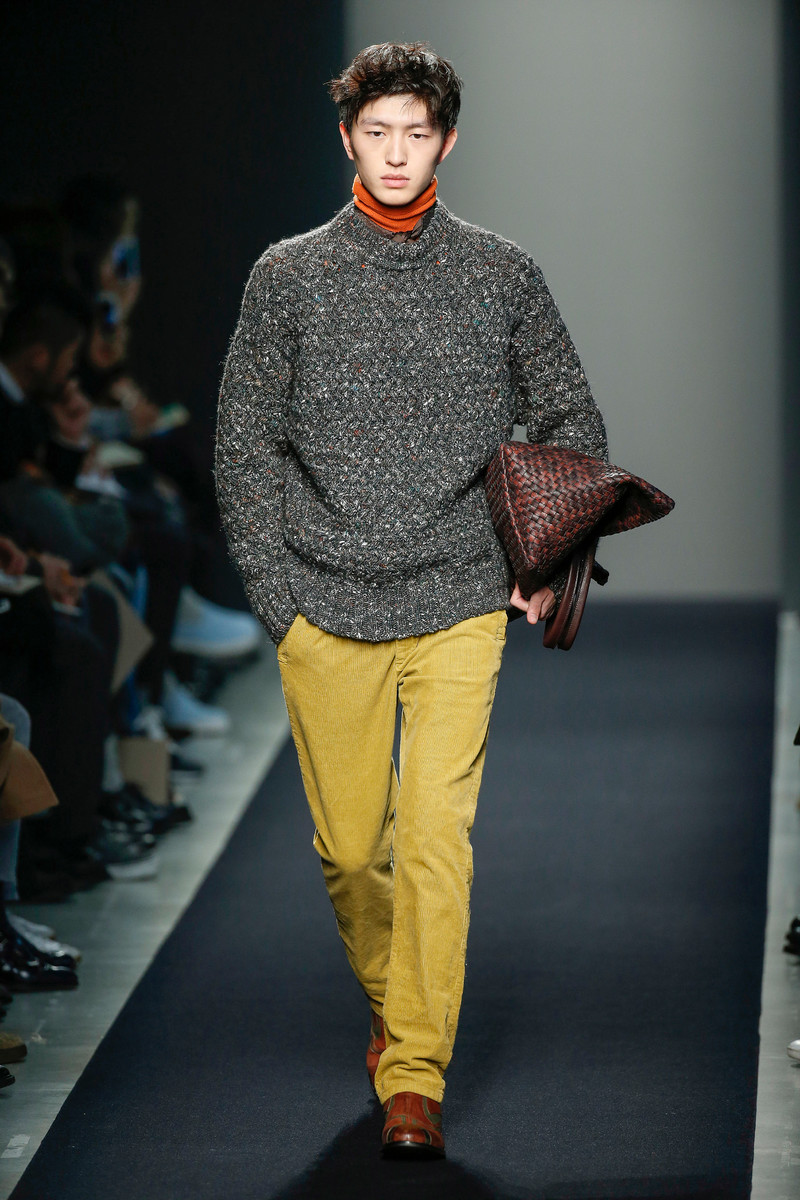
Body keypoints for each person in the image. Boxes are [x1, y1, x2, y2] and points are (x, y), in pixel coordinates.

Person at [216, 41, 607, 1159]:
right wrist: (277, 595)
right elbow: (243, 443)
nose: (396, 154)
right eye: (377, 132)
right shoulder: (287, 275)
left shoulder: (500, 273)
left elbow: (571, 420)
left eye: (416, 134)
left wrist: (537, 559)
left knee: (436, 838)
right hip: (321, 597)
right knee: (351, 851)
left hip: (458, 594)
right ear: (346, 137)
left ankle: (415, 1076)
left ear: (447, 141)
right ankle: (401, 1007)